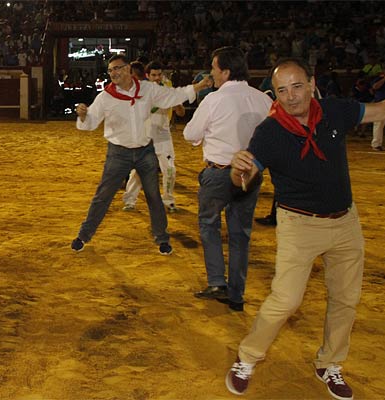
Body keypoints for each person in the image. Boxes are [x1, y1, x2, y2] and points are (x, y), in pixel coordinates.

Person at [225, 58, 385, 399]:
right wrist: (238, 170)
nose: (292, 96)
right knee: (285, 300)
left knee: (346, 299)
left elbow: (383, 109)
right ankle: (247, 357)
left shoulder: (333, 111)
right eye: (282, 90)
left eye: (297, 86)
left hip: (345, 222)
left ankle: (330, 363)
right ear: (276, 94)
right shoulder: (269, 132)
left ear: (311, 84)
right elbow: (245, 176)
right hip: (298, 224)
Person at [71, 54, 211, 255]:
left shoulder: (147, 89)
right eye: (110, 70)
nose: (113, 73)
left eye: (117, 68)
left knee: (154, 196)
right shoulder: (106, 96)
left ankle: (162, 238)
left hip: (145, 150)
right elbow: (91, 122)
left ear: (128, 69)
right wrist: (84, 115)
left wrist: (196, 88)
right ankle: (83, 236)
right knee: (103, 196)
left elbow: (172, 96)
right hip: (118, 153)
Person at [184, 47, 273, 312]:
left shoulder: (214, 99)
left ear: (225, 71)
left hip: (219, 172)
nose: (212, 73)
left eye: (214, 68)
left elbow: (190, 133)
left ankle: (216, 282)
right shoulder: (263, 99)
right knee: (240, 234)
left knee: (209, 225)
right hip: (251, 173)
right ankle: (237, 294)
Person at [122, 62, 185, 213]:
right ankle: (130, 200)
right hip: (145, 135)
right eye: (154, 75)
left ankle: (168, 200)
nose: (157, 78)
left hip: (163, 136)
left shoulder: (168, 90)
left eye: (159, 75)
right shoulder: (139, 92)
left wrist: (175, 102)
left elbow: (181, 113)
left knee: (170, 169)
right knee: (138, 171)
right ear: (147, 76)